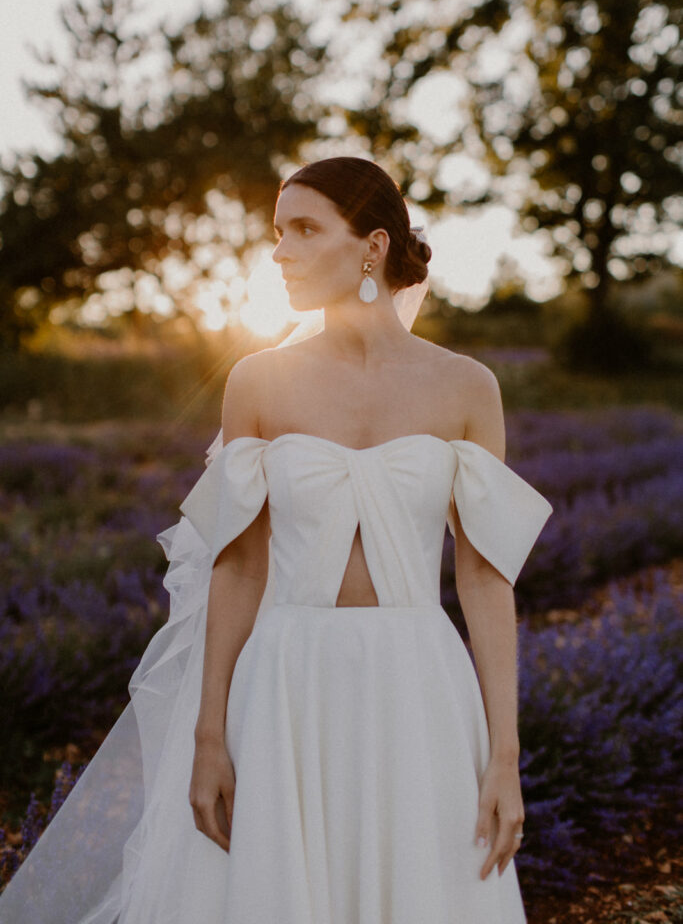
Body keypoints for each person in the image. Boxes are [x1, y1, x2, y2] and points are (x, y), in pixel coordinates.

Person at [0, 156, 553, 924]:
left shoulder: (467, 387)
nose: (279, 251)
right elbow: (238, 570)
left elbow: (486, 582)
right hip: (283, 685)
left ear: (372, 246)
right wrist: (208, 736)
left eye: (303, 229)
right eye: (275, 232)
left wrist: (503, 757)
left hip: (417, 687)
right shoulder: (257, 381)